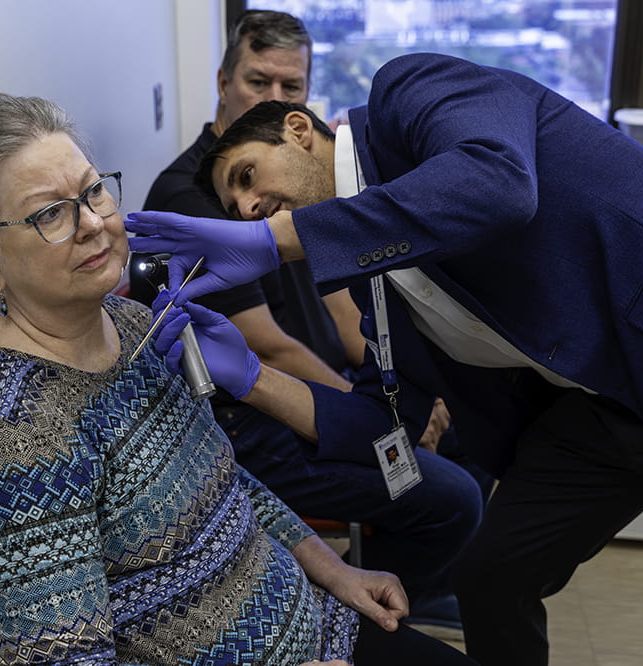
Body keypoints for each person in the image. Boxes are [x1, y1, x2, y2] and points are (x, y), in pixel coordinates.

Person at [126, 52, 643, 666]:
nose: (245, 208)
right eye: (234, 207)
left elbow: (499, 186)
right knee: (491, 576)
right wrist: (250, 375)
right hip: (602, 407)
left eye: (246, 177)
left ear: (299, 129)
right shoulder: (368, 276)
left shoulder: (409, 94)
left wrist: (276, 241)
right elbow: (385, 424)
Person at [0, 91, 476, 666]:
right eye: (49, 213)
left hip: (319, 625)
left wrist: (332, 570)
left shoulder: (129, 324)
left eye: (93, 191)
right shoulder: (4, 438)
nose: (93, 224)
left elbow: (224, 484)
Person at [138, 9, 485, 626]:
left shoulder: (292, 176)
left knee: (474, 426)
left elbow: (342, 297)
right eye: (256, 81)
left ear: (303, 106)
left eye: (288, 86)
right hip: (258, 425)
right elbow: (266, 349)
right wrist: (382, 422)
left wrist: (397, 389)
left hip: (322, 389)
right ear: (223, 82)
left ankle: (410, 579)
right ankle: (383, 605)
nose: (269, 97)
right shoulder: (201, 198)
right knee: (452, 495)